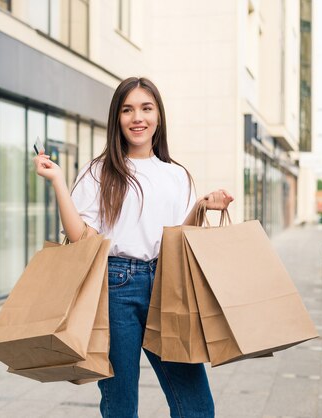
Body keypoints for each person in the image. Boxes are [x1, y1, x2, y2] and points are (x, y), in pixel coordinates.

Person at [33, 77, 233, 418]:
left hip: (166, 283)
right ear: (117, 119)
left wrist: (202, 206)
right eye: (127, 110)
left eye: (146, 108)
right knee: (120, 403)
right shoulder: (100, 171)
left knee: (196, 404)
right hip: (115, 286)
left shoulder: (176, 175)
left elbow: (180, 239)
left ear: (158, 117)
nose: (137, 117)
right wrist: (58, 182)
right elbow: (82, 237)